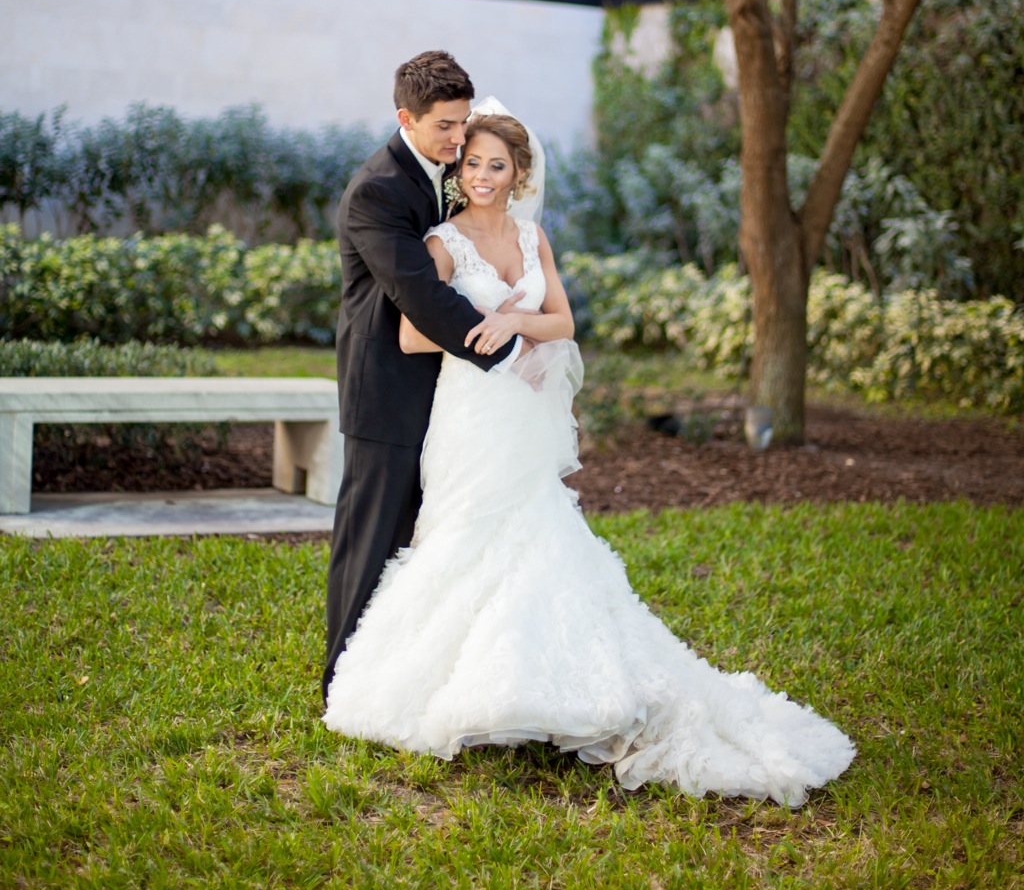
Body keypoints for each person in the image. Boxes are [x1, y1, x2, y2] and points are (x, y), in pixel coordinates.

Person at [324, 105, 856, 806]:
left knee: (539, 530)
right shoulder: (441, 242)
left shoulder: (532, 236)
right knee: (466, 533)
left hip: (524, 418)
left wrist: (517, 319)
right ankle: (467, 688)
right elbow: (415, 340)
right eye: (472, 163)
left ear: (518, 176)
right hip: (471, 413)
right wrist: (495, 334)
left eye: (496, 165)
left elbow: (565, 323)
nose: (482, 175)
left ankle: (553, 680)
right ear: (460, 171)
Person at [323, 52, 527, 705]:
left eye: (463, 124)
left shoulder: (441, 172)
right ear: (404, 117)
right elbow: (421, 295)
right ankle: (342, 685)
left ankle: (396, 674)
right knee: (370, 540)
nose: (459, 140)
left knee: (418, 539)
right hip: (385, 387)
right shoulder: (377, 190)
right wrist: (509, 352)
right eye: (445, 126)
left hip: (441, 392)